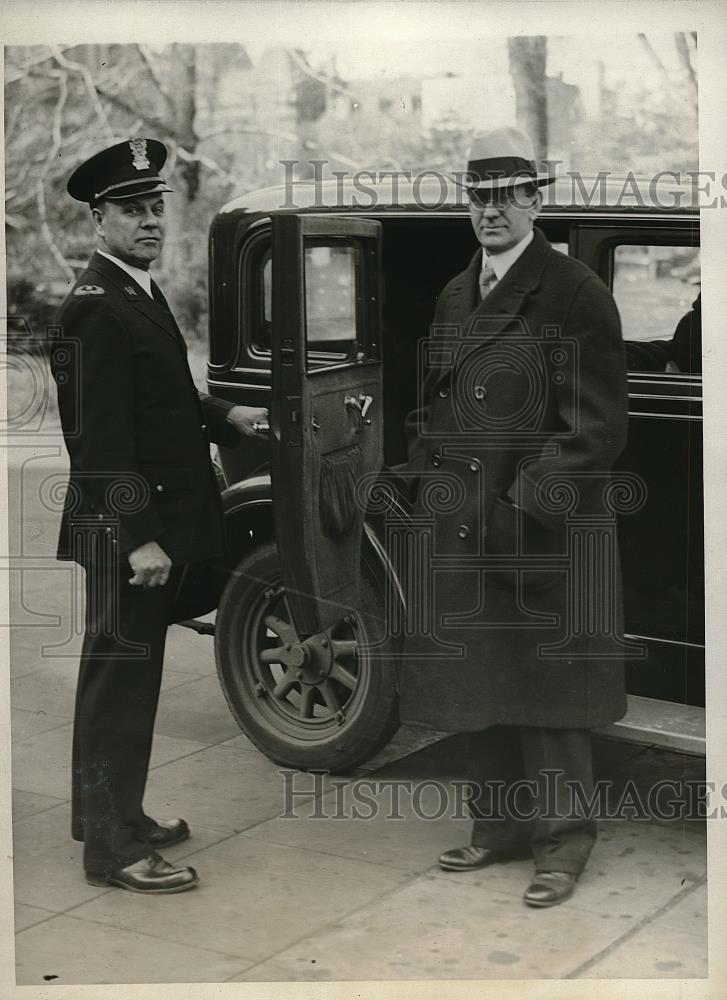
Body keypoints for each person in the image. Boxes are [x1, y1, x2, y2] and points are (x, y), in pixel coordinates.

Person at [400, 127, 629, 907]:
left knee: (551, 693)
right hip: (464, 522)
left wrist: (519, 503)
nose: (490, 211)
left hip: (542, 531)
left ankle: (562, 847)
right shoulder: (457, 291)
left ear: (535, 200)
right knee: (483, 681)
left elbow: (593, 429)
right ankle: (496, 828)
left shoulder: (572, 292)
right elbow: (433, 407)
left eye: (506, 196)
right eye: (478, 197)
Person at [50, 138, 268, 894]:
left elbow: (158, 403)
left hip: (147, 526)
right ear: (98, 218)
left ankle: (110, 815)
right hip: (128, 532)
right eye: (130, 210)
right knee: (123, 682)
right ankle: (113, 850)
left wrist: (224, 414)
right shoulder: (95, 309)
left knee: (116, 675)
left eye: (154, 208)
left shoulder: (133, 291)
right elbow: (99, 442)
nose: (148, 222)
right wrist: (138, 536)